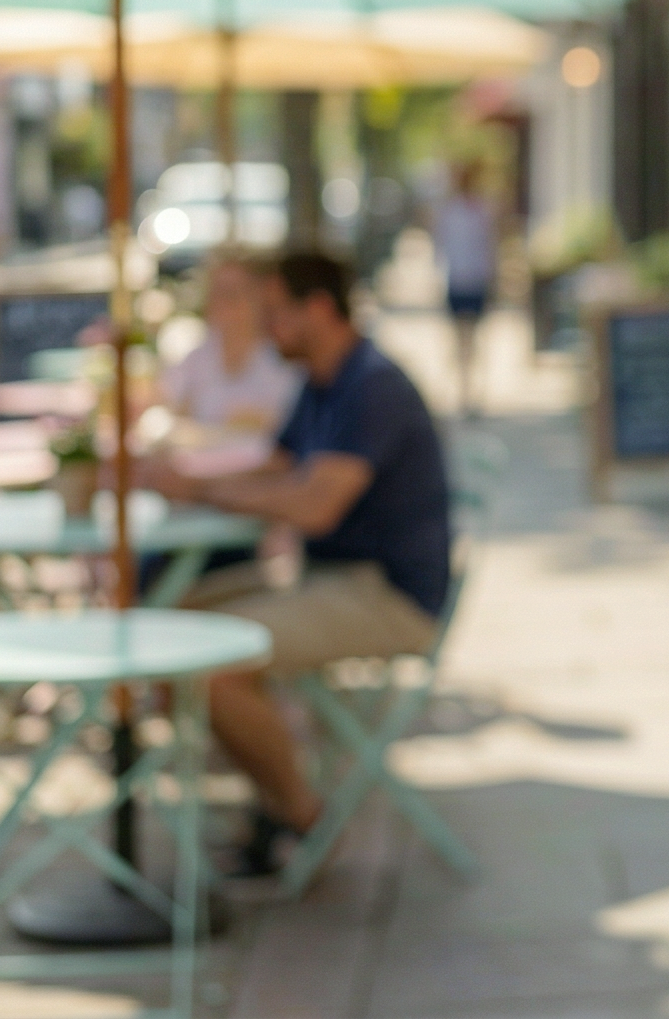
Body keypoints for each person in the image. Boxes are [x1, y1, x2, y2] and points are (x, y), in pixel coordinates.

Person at [134, 248, 452, 875]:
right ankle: (274, 799)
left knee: (212, 666)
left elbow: (314, 506)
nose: (265, 326)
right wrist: (183, 476)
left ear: (320, 309)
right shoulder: (322, 381)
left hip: (385, 595)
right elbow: (274, 468)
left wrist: (196, 489)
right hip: (328, 579)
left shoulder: (372, 384)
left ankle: (304, 818)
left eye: (277, 313)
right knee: (162, 628)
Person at [160, 249, 302, 444]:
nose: (222, 303)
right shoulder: (198, 358)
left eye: (232, 294)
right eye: (216, 292)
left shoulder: (284, 359)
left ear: (260, 297)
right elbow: (172, 412)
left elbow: (287, 429)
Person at [431, 160, 496, 416]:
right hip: (457, 280)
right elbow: (441, 249)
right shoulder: (449, 212)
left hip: (475, 280)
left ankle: (471, 392)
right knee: (460, 341)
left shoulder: (480, 211)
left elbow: (488, 248)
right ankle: (463, 392)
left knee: (473, 340)